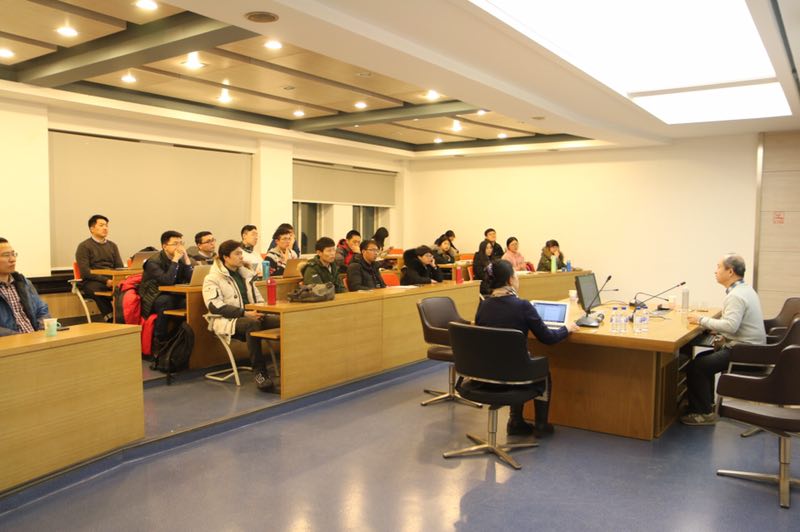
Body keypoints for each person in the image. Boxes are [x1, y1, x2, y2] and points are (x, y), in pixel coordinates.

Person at [475, 259, 579, 436]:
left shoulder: (483, 305)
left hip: (484, 374)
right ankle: (541, 425)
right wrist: (566, 328)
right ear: (510, 280)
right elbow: (548, 338)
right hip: (514, 374)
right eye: (515, 275)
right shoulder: (522, 306)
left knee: (515, 360)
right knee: (541, 368)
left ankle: (515, 421)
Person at [681, 254, 766, 425]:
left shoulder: (735, 295)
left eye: (719, 267)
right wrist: (715, 327)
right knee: (702, 359)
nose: (715, 271)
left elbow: (731, 326)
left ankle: (703, 413)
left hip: (746, 352)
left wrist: (700, 320)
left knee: (698, 367)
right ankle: (707, 405)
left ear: (730, 272)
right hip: (754, 349)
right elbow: (735, 324)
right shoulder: (745, 290)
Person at [203, 240, 278, 392]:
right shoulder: (212, 278)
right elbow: (215, 306)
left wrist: (261, 311)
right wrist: (245, 313)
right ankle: (260, 372)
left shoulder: (246, 275)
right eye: (237, 254)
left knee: (284, 321)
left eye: (241, 253)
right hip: (228, 321)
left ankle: (294, 365)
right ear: (226, 257)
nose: (241, 257)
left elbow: (259, 299)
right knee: (252, 324)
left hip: (253, 315)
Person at [140, 231, 194, 345]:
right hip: (154, 296)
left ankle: (181, 337)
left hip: (174, 294)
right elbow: (167, 281)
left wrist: (186, 259)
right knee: (166, 302)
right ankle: (160, 339)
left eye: (181, 243)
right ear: (164, 246)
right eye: (175, 244)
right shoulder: (153, 262)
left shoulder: (181, 259)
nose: (179, 247)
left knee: (190, 302)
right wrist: (175, 260)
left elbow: (191, 279)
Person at [74, 214, 124, 321]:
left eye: (106, 225)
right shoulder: (84, 246)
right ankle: (110, 318)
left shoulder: (112, 246)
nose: (105, 228)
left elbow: (119, 267)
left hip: (112, 280)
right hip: (92, 281)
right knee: (98, 290)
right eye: (101, 225)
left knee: (128, 288)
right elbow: (85, 272)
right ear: (92, 229)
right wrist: (106, 281)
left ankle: (124, 317)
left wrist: (115, 280)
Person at [0, 238, 50, 336]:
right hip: (10, 343)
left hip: (35, 338)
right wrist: (18, 338)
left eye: (13, 254)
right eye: (6, 255)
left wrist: (41, 331)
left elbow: (42, 310)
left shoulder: (23, 282)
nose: (12, 259)